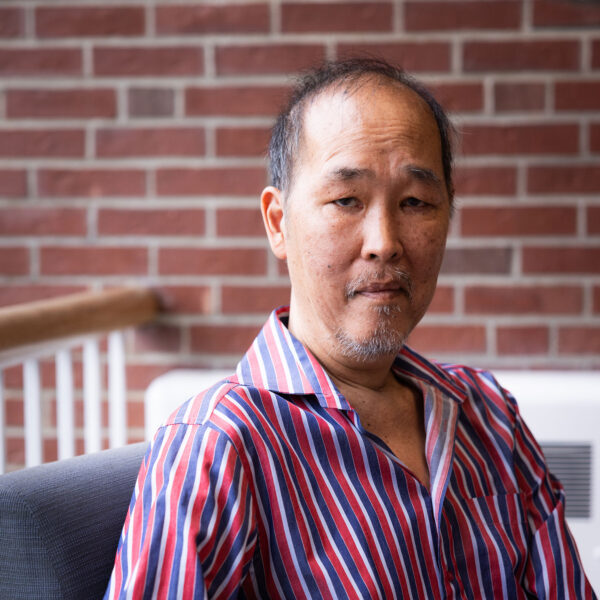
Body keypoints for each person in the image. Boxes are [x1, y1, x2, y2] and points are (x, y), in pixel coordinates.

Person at [105, 59, 596, 599]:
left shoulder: (490, 415)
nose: (384, 242)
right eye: (345, 200)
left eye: (415, 202)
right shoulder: (220, 447)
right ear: (278, 223)